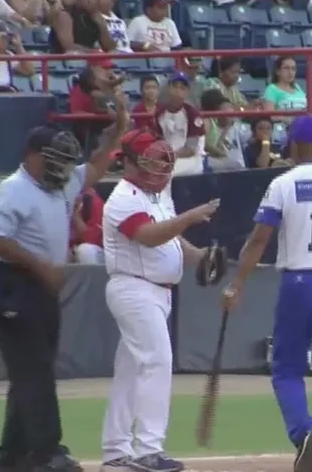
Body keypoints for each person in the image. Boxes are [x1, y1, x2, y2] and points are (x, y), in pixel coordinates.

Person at [0, 98, 126, 472]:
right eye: (55, 157)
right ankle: (46, 453)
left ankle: (12, 458)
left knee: (28, 375)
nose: (63, 165)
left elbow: (93, 168)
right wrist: (41, 266)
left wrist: (117, 131)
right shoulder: (14, 188)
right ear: (32, 156)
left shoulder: (57, 183)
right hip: (16, 287)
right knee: (36, 374)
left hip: (42, 291)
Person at [221, 115, 312, 472]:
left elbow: (259, 239)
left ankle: (304, 429)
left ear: (294, 146)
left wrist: (236, 282)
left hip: (301, 282)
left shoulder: (284, 183)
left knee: (287, 369)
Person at [100, 129, 220, 472]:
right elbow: (148, 236)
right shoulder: (123, 197)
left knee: (130, 370)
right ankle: (148, 449)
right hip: (134, 288)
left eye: (163, 160)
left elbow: (171, 235)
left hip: (156, 291)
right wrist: (191, 216)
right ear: (132, 162)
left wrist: (200, 255)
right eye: (152, 160)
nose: (162, 166)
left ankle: (116, 450)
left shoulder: (159, 192)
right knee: (157, 361)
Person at [49, 0, 114, 53]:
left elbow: (109, 48)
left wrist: (102, 26)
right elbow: (68, 47)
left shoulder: (95, 16)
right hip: (63, 60)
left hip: (89, 59)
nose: (89, 0)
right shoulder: (65, 15)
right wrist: (93, 52)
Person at [70, 187, 104, 264]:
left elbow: (92, 239)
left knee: (85, 251)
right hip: (68, 250)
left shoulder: (90, 200)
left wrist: (75, 215)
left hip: (96, 252)